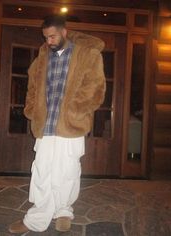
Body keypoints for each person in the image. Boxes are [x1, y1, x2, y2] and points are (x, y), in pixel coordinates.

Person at [8, 14, 106, 234]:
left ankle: (63, 211)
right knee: (42, 171)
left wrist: (74, 110)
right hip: (45, 125)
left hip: (71, 125)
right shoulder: (43, 57)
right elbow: (32, 87)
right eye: (45, 37)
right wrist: (31, 110)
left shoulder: (88, 55)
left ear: (64, 32)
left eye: (52, 36)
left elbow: (96, 89)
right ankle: (36, 219)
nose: (49, 41)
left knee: (68, 171)